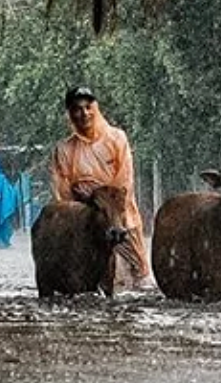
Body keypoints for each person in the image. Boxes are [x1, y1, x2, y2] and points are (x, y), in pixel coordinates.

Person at [49, 85, 153, 287]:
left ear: (96, 108)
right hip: (83, 226)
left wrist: (99, 197)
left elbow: (124, 182)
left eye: (88, 107)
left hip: (121, 223)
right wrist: (85, 206)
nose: (84, 114)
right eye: (77, 109)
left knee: (138, 280)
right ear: (69, 114)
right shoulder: (63, 149)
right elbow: (62, 192)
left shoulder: (117, 138)